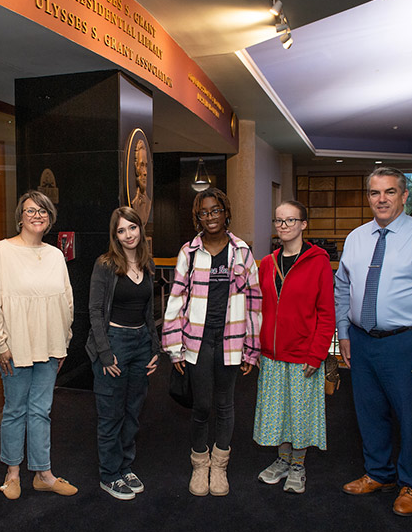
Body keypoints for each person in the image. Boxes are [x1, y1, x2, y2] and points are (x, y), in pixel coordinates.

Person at [335, 167, 412, 516]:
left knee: (411, 415)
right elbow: (342, 288)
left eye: (390, 192)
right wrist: (343, 332)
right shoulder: (356, 238)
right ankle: (379, 473)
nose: (382, 199)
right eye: (375, 193)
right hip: (361, 340)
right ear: (368, 197)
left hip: (407, 342)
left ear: (405, 196)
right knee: (369, 412)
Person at [162, 187, 261, 496]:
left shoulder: (242, 251)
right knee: (202, 404)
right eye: (204, 212)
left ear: (225, 212)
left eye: (215, 210)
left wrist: (252, 348)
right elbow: (176, 299)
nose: (211, 217)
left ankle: (219, 465)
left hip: (231, 339)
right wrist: (173, 347)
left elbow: (255, 301)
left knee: (225, 403)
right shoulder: (189, 252)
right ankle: (199, 462)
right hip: (197, 341)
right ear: (198, 217)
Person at [0, 189, 77, 499]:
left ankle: (43, 473)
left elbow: (66, 303)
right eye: (31, 210)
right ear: (20, 215)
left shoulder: (55, 255)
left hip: (49, 345)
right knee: (15, 410)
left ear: (50, 219)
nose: (37, 215)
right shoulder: (1, 252)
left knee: (41, 411)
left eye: (43, 211)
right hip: (14, 347)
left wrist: (62, 342)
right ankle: (12, 473)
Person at [254, 201, 335, 494]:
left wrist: (318, 354)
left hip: (304, 354)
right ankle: (282, 459)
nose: (283, 226)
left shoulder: (318, 261)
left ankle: (298, 465)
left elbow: (327, 313)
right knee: (278, 414)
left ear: (303, 224)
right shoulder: (267, 263)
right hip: (272, 354)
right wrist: (258, 347)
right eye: (279, 221)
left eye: (290, 220)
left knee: (300, 415)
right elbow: (258, 308)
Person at [86, 207, 160, 500]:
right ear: (114, 235)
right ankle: (109, 474)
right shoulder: (105, 264)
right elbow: (93, 310)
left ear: (140, 229)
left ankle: (125, 465)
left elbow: (148, 310)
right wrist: (104, 352)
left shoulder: (147, 262)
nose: (128, 235)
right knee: (110, 414)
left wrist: (154, 348)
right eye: (121, 230)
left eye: (132, 228)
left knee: (132, 411)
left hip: (141, 342)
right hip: (113, 342)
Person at [130, 139, 151, 223]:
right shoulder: (134, 202)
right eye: (141, 165)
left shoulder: (148, 203)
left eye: (146, 166)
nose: (145, 172)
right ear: (136, 167)